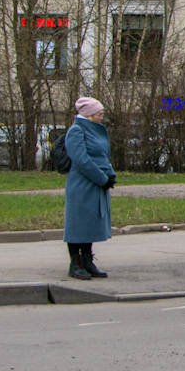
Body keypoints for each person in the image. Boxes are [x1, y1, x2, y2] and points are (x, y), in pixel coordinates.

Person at [63, 97, 116, 281]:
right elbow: (81, 160)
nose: (101, 117)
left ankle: (87, 260)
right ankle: (75, 263)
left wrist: (110, 174)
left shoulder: (94, 129)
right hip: (81, 185)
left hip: (95, 183)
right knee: (77, 224)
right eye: (99, 114)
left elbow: (102, 155)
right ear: (89, 114)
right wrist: (102, 178)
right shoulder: (76, 131)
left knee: (90, 223)